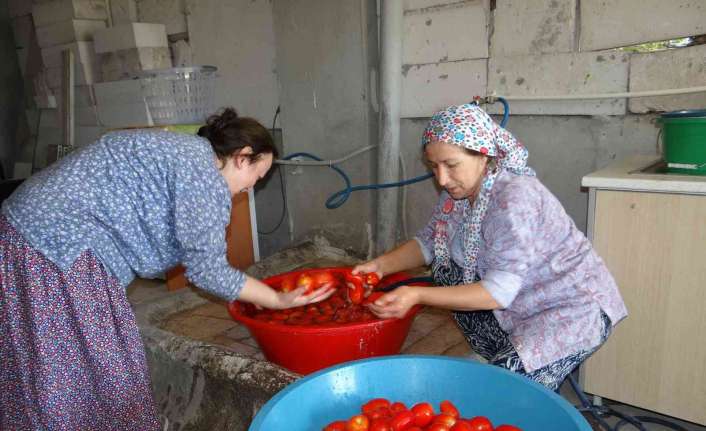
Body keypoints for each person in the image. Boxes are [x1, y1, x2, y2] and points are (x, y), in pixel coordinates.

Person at [0, 107, 332, 430]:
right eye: (254, 178)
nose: (247, 190)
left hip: (22, 228)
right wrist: (277, 300)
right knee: (98, 364)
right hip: (58, 243)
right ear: (241, 156)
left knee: (38, 353)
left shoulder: (185, 151)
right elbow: (207, 270)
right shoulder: (203, 175)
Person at [354, 103, 627, 391]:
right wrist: (379, 266)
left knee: (504, 394)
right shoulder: (459, 193)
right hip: (522, 298)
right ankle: (501, 354)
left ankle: (519, 369)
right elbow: (429, 242)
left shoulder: (514, 199)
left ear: (484, 156)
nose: (442, 179)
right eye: (434, 166)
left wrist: (417, 294)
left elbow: (497, 292)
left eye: (451, 165)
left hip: (569, 308)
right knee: (447, 268)